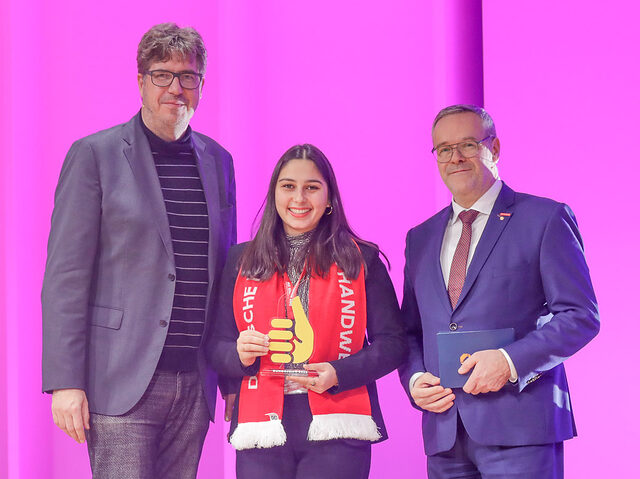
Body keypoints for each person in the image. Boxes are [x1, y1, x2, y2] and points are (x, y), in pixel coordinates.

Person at [41, 23, 236, 478]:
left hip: (195, 382)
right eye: (161, 75)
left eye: (187, 76)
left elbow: (225, 273)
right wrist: (66, 382)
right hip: (120, 380)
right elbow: (66, 277)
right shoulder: (95, 155)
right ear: (141, 81)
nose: (175, 87)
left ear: (201, 85)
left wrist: (229, 376)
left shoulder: (219, 161)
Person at [399, 104, 599, 479]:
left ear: (495, 148)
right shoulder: (420, 238)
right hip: (444, 432)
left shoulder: (545, 218)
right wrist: (414, 380)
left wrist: (509, 362)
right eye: (444, 149)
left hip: (522, 428)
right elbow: (409, 330)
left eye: (468, 145)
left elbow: (581, 317)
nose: (455, 157)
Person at [209, 144, 406, 479]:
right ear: (274, 194)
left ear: (329, 199)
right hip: (263, 424)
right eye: (288, 186)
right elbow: (217, 346)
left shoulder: (362, 259)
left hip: (337, 423)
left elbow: (393, 344)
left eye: (311, 188)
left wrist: (338, 372)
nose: (299, 198)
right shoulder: (241, 261)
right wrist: (239, 354)